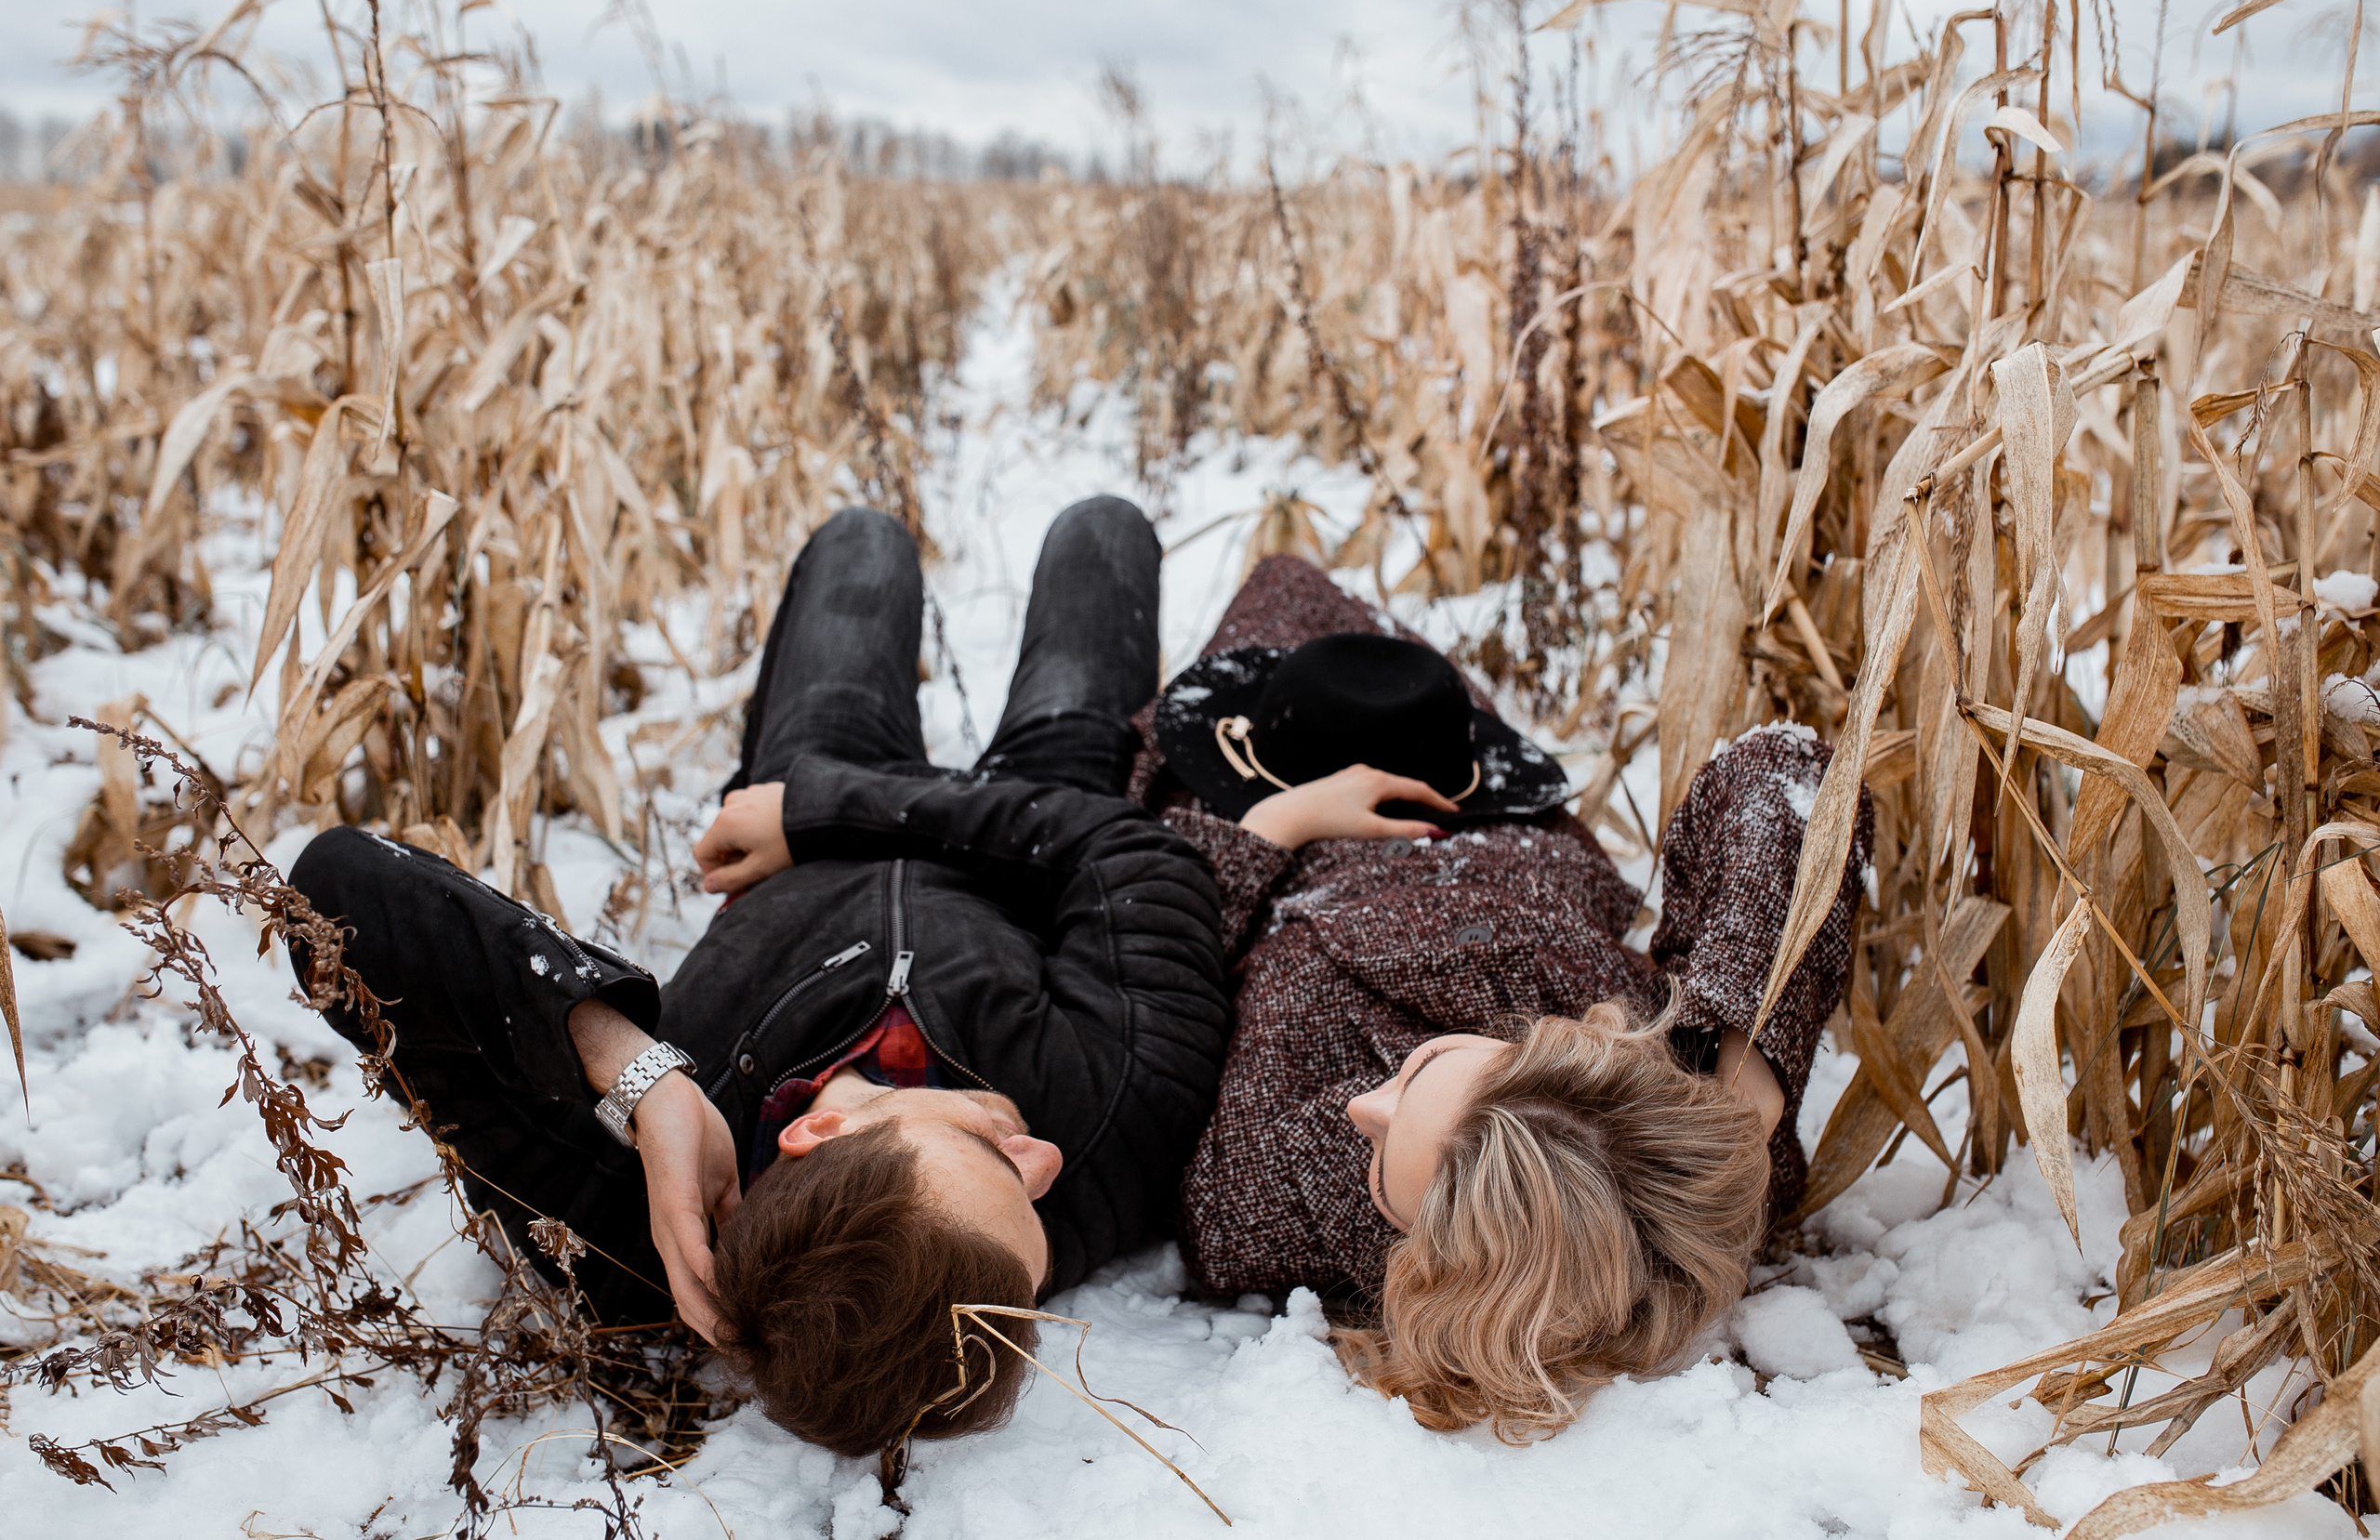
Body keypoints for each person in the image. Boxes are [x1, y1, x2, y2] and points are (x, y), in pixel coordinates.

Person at [286, 500, 1230, 1459]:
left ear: (816, 1133)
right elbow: (1128, 857)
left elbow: (335, 897)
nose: (1046, 1165)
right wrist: (824, 813)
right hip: (1029, 818)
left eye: (994, 1161)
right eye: (1040, 1251)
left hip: (809, 788)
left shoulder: (633, 1234)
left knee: (864, 541)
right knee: (1101, 532)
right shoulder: (1123, 1117)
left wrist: (641, 1079)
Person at [1129, 555, 1871, 1442]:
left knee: (1234, 594)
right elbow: (1789, 774)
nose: (1366, 1105)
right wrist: (1742, 1079)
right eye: (1428, 1065)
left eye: (1382, 1169)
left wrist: (1270, 831)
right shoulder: (1652, 1116)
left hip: (1269, 806)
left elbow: (1151, 986)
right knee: (1312, 603)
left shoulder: (1268, 1193)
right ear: (1553, 1053)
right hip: (1458, 778)